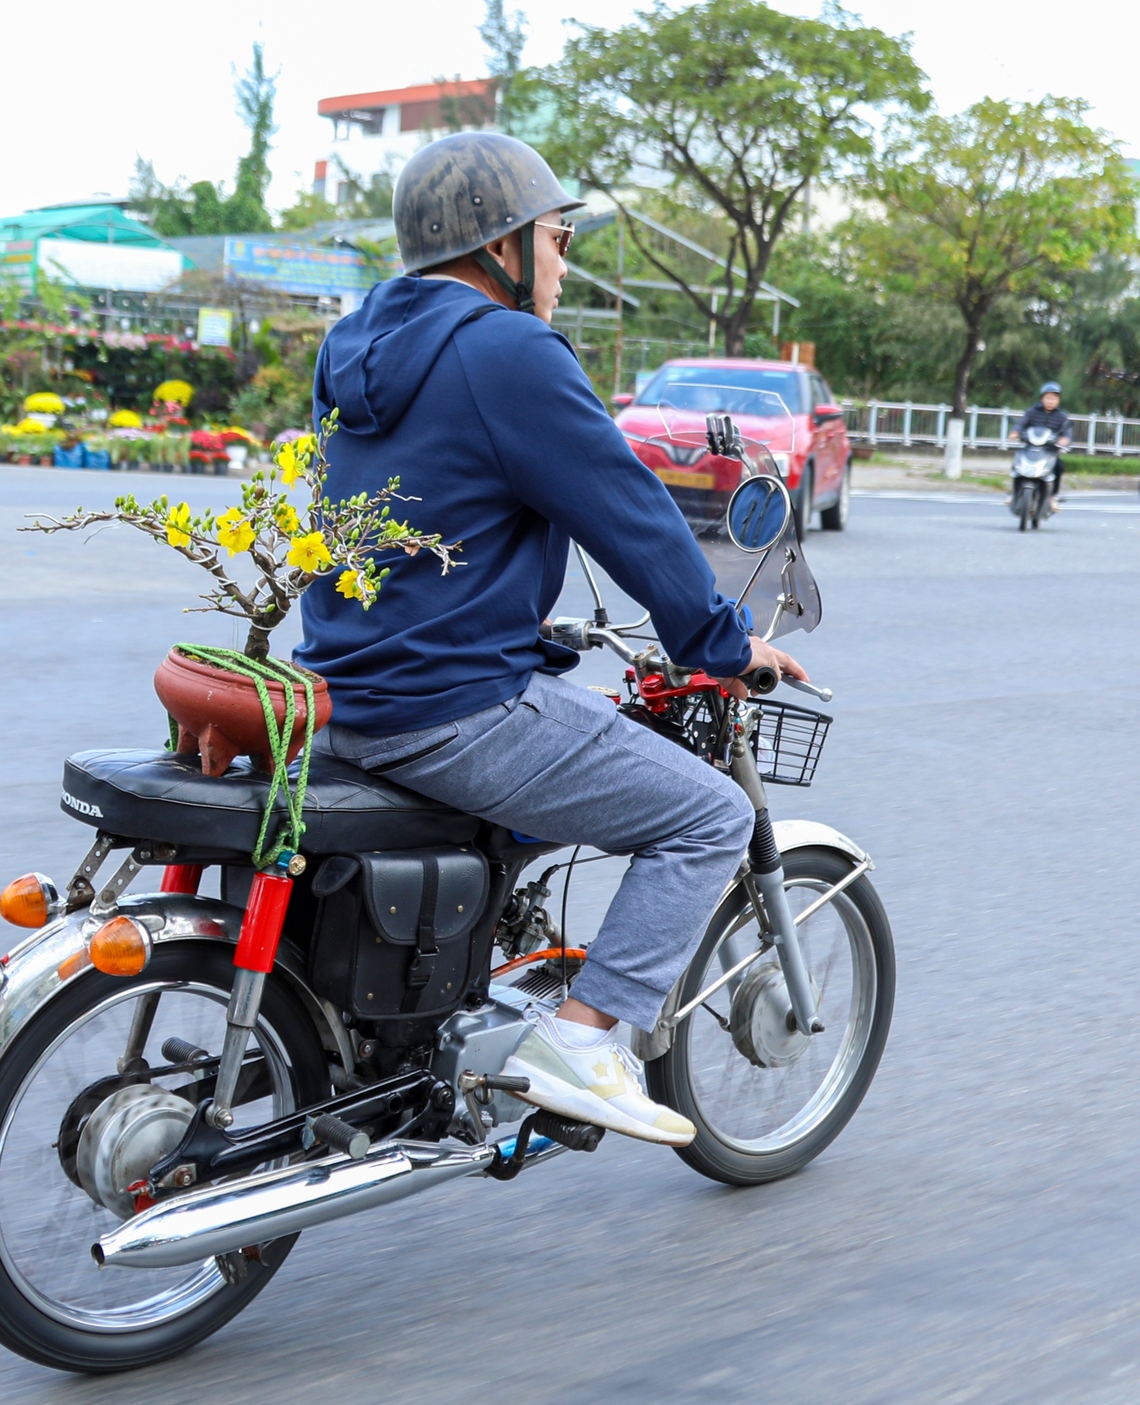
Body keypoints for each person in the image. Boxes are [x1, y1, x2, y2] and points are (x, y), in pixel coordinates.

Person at [296, 131, 807, 1146]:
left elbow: (412, 514)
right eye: (557, 238)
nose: (563, 264)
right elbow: (630, 513)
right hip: (450, 708)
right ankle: (579, 1042)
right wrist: (718, 641)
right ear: (499, 246)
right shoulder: (507, 351)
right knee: (704, 815)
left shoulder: (354, 344)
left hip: (342, 692)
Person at [1010, 382, 1074, 508]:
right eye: (1048, 398)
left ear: (1059, 400)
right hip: (1030, 448)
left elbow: (1067, 432)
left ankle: (1052, 496)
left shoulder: (1062, 416)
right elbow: (1021, 423)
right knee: (1016, 464)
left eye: (1054, 398)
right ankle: (1014, 494)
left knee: (1059, 467)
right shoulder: (1032, 411)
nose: (1051, 401)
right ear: (1042, 398)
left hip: (1050, 451)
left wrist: (1065, 439)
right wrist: (1015, 432)